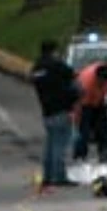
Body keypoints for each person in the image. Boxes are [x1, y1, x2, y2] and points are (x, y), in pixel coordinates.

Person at [30, 40, 79, 189]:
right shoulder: (57, 65)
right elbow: (72, 75)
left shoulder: (37, 68)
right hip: (61, 109)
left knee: (50, 145)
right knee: (60, 145)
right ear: (54, 51)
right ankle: (59, 176)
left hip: (47, 110)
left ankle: (48, 176)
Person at [72, 60, 107, 163]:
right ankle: (80, 155)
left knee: (103, 129)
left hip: (100, 101)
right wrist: (77, 118)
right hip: (85, 104)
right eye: (101, 82)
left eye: (106, 82)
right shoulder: (85, 82)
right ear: (97, 78)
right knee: (83, 130)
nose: (103, 84)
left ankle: (104, 151)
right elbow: (79, 104)